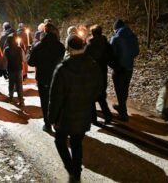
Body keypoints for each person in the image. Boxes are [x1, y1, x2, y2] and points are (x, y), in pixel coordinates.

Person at [49, 34, 103, 181]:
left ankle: (72, 169)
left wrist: (51, 118)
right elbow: (99, 88)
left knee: (60, 141)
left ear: (69, 48)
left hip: (66, 115)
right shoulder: (93, 65)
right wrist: (88, 99)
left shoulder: (62, 69)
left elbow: (55, 97)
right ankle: (76, 171)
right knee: (77, 143)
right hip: (84, 112)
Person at [28, 23, 65, 133]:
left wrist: (31, 53)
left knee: (45, 101)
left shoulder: (39, 46)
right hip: (57, 77)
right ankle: (57, 122)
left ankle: (47, 124)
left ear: (44, 31)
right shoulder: (60, 46)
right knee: (57, 99)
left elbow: (31, 62)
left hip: (43, 77)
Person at [85, 24, 116, 124]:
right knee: (101, 95)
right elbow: (111, 58)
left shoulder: (89, 46)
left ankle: (93, 118)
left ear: (92, 34)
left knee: (90, 95)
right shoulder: (106, 45)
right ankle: (107, 115)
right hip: (102, 72)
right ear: (101, 32)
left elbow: (84, 60)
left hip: (91, 73)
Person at [110, 19, 139, 121]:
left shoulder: (115, 38)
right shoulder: (133, 36)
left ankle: (123, 113)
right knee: (125, 88)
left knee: (119, 90)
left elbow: (111, 54)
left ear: (115, 29)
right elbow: (136, 52)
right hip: (129, 67)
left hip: (119, 68)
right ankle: (121, 106)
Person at [3, 34, 26, 107]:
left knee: (11, 84)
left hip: (10, 69)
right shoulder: (19, 49)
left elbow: (4, 61)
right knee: (19, 85)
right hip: (19, 69)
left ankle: (11, 98)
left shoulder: (6, 50)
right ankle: (21, 101)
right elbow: (24, 59)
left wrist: (4, 70)